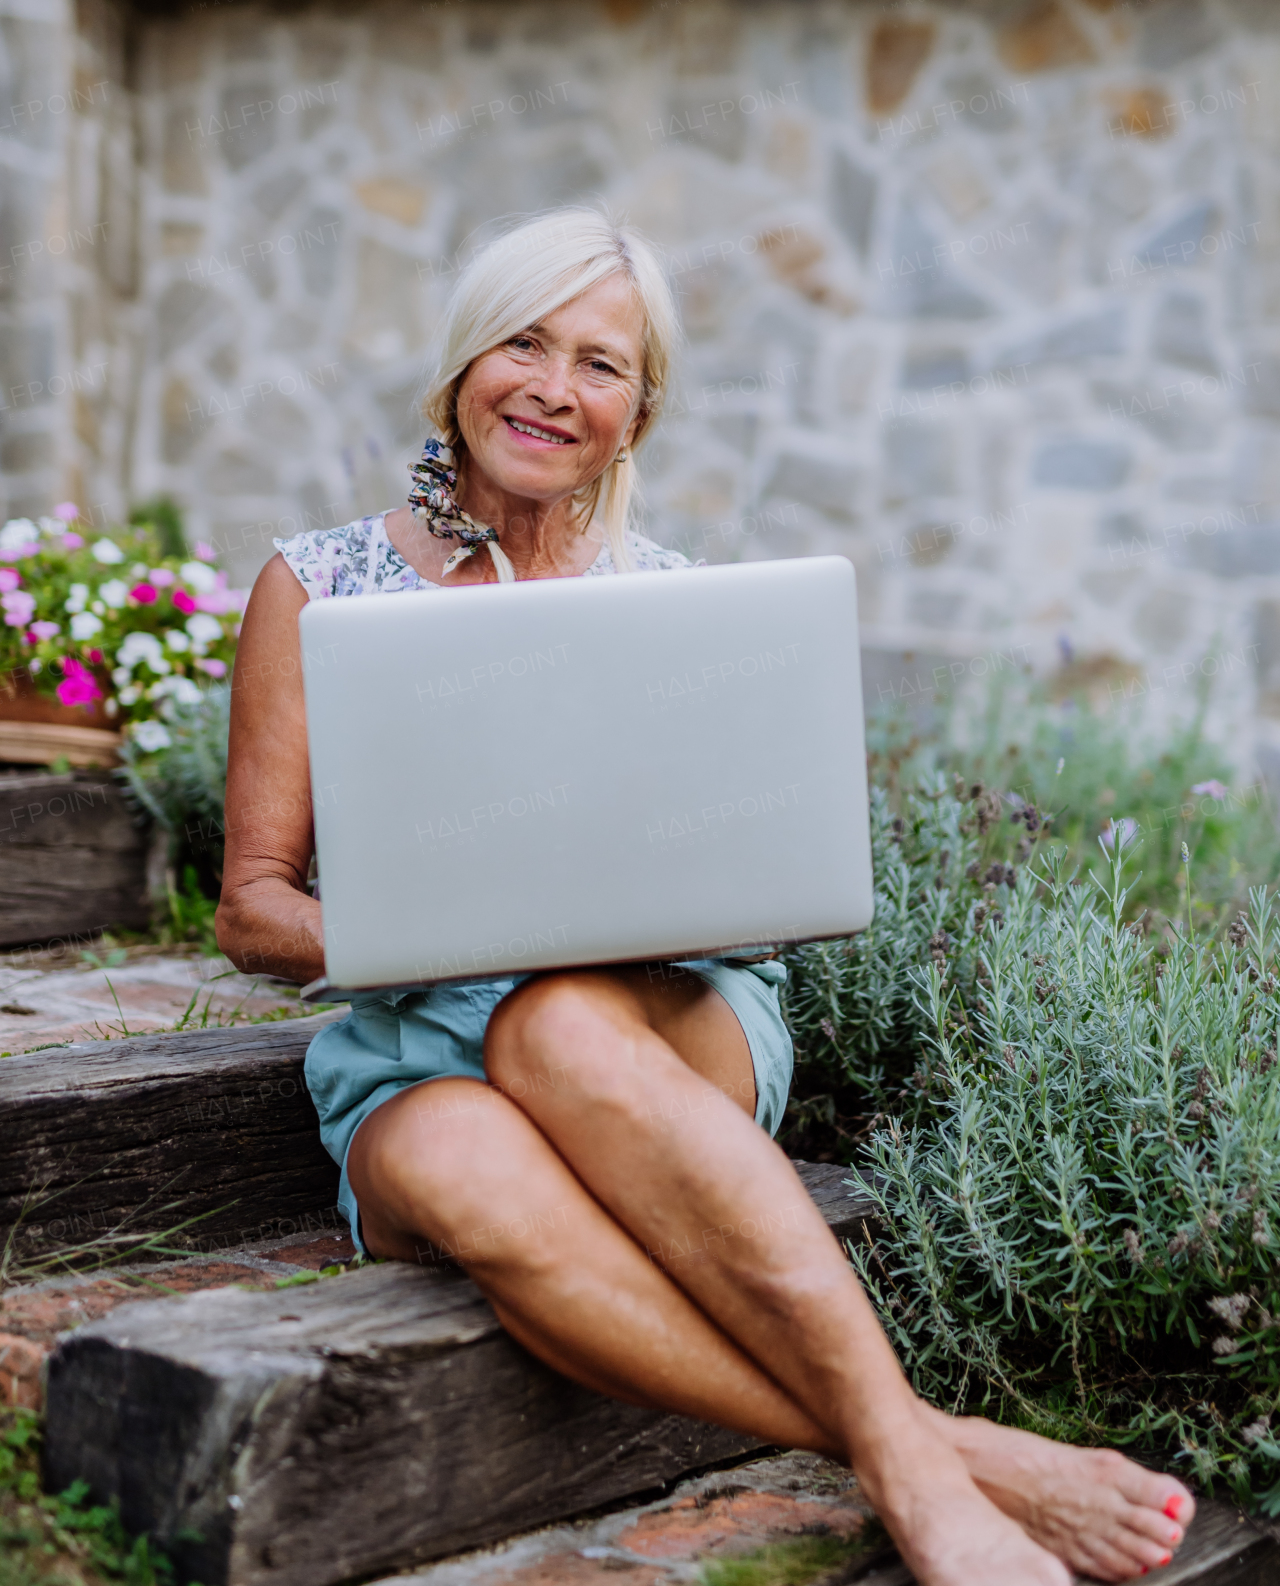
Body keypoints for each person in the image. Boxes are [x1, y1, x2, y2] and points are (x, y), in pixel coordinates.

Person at [217, 208, 1194, 1586]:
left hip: (660, 1018)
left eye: (600, 365)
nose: (555, 388)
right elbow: (254, 906)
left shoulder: (666, 602)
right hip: (416, 1039)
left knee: (553, 1024)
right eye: (524, 342)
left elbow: (748, 875)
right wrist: (447, 940)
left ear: (638, 415)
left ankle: (916, 1468)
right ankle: (943, 1451)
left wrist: (658, 911)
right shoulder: (317, 585)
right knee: (454, 1156)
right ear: (460, 366)